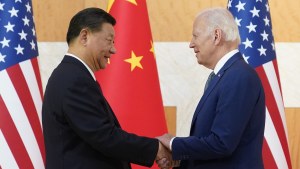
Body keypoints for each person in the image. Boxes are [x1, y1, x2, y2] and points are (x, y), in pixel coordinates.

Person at [42, 8, 171, 169]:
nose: (113, 49)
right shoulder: (74, 79)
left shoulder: (72, 75)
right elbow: (103, 136)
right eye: (109, 40)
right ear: (84, 36)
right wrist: (155, 148)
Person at [157, 7, 266, 169]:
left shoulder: (239, 76)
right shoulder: (225, 75)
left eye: (195, 36)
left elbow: (222, 143)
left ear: (216, 36)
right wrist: (180, 160)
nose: (191, 44)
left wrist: (173, 143)